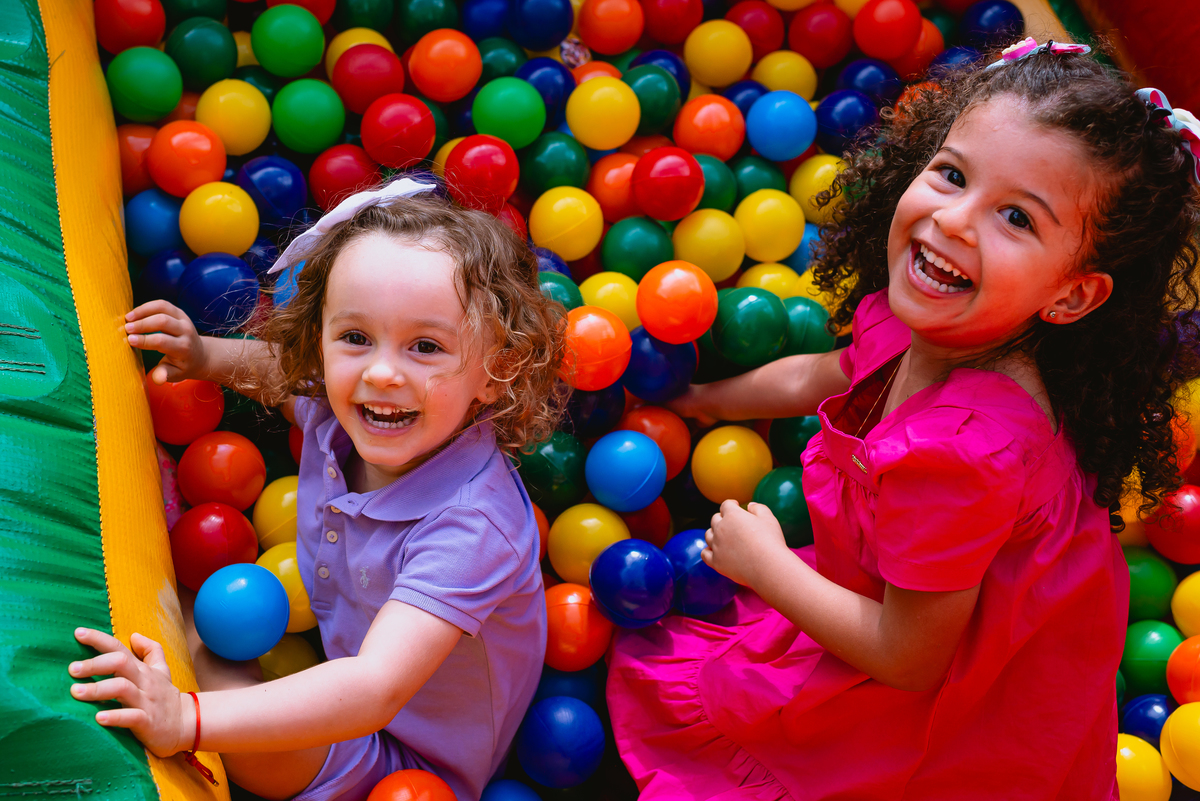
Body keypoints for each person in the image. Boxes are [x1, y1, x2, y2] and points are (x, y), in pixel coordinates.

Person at [607, 40, 1200, 799]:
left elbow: (908, 655)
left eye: (1016, 217)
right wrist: (695, 401)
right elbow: (828, 374)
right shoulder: (940, 322)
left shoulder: (962, 453)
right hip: (927, 596)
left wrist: (767, 564)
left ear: (1072, 295)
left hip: (959, 694)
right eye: (952, 174)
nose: (953, 220)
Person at [67, 180, 567, 801]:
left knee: (224, 691)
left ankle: (199, 670)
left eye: (427, 347)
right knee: (209, 630)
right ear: (320, 338)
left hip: (407, 761)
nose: (382, 372)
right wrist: (202, 356)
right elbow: (284, 377)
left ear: (496, 372)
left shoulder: (472, 525)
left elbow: (375, 688)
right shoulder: (340, 412)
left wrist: (185, 720)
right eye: (355, 337)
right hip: (338, 673)